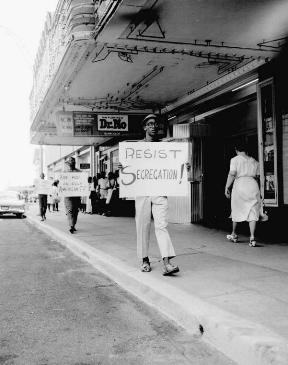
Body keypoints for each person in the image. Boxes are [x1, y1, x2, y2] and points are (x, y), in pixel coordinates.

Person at [119, 114, 190, 275]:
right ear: (144, 127)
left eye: (155, 124)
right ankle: (144, 259)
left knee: (162, 225)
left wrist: (183, 167)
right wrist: (122, 167)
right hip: (143, 190)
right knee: (142, 225)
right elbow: (130, 168)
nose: (153, 126)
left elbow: (173, 167)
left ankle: (167, 262)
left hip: (159, 190)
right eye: (150, 124)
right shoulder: (136, 147)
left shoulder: (163, 147)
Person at [225, 141, 261, 247]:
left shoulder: (234, 160)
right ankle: (252, 238)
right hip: (253, 184)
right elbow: (258, 177)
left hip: (240, 184)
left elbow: (232, 174)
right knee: (253, 211)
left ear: (236, 150)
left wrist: (227, 186)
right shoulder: (254, 161)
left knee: (236, 208)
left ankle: (234, 234)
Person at [63, 157, 81, 234]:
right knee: (70, 210)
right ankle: (71, 226)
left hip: (76, 195)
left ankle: (73, 225)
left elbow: (83, 182)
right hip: (68, 195)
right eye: (70, 163)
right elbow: (61, 182)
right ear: (68, 164)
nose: (71, 164)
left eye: (73, 163)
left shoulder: (79, 172)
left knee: (75, 211)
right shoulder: (64, 173)